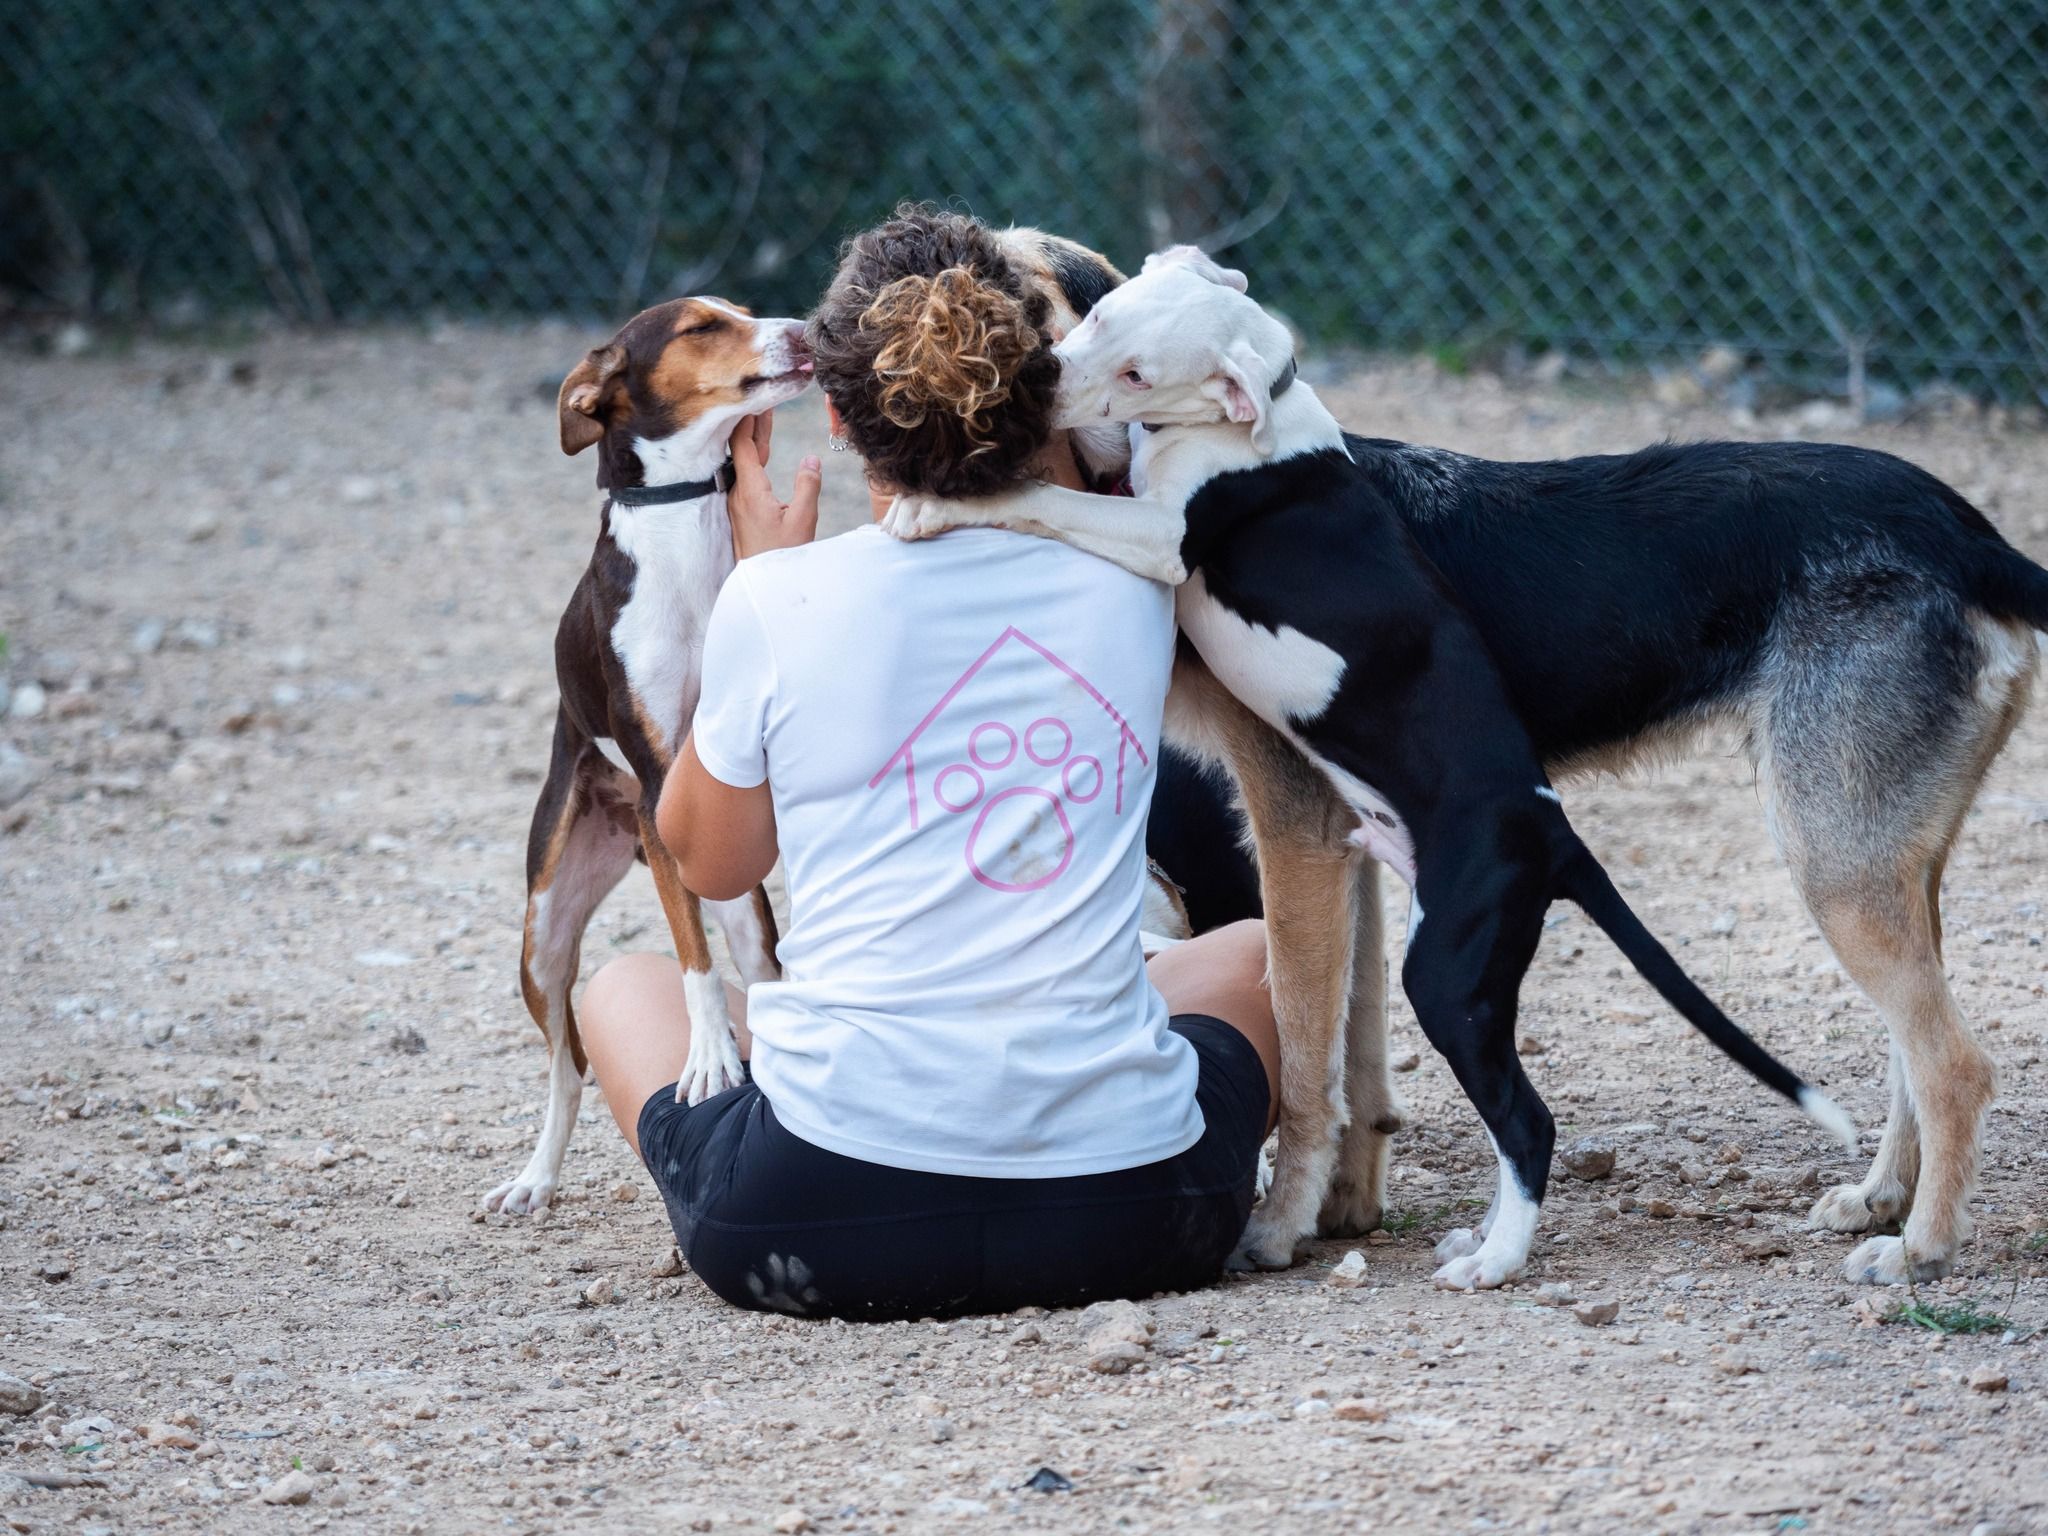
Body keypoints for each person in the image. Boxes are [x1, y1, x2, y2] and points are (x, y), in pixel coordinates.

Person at [575, 206, 1279, 1319]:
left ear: (842, 422)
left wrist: (757, 584)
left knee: (620, 987)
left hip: (813, 1221)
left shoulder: (776, 595)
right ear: (1046, 392)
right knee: (1248, 955)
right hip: (1140, 1215)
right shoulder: (1140, 575)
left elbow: (710, 865)